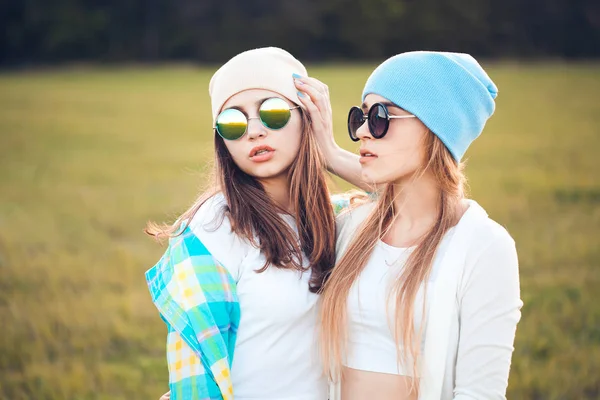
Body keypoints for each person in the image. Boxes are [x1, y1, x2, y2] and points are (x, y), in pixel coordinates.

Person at [302, 51, 523, 400]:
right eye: (360, 116)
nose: (361, 131)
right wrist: (327, 152)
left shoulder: (484, 246)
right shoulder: (352, 227)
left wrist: (331, 154)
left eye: (380, 117)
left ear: (434, 126)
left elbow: (479, 393)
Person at [146, 47, 347, 400]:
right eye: (233, 123)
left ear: (307, 117)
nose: (254, 132)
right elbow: (196, 379)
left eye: (272, 113)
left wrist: (331, 151)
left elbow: (420, 200)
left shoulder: (339, 218)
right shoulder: (212, 231)